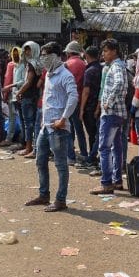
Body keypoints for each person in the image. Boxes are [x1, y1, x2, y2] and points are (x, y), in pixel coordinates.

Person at [24, 42, 78, 212]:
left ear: (56, 56)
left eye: (46, 56)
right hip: (46, 126)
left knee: (61, 165)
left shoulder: (65, 75)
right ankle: (43, 194)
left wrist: (63, 119)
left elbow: (73, 97)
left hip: (58, 128)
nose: (44, 59)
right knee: (40, 161)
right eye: (42, 56)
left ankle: (60, 199)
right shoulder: (48, 75)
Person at [90, 39, 128, 195]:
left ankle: (106, 183)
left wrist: (108, 102)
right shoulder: (115, 66)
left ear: (114, 51)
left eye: (106, 51)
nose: (103, 54)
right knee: (116, 147)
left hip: (112, 113)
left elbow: (119, 84)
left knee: (104, 148)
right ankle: (117, 180)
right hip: (117, 113)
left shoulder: (117, 66)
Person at [63, 41, 88, 165]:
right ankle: (84, 153)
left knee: (69, 129)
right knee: (79, 129)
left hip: (68, 100)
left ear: (69, 52)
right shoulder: (84, 64)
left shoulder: (67, 64)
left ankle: (71, 156)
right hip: (80, 100)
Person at [15, 42, 42, 157]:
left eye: (29, 50)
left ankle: (28, 147)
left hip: (28, 96)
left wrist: (19, 92)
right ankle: (35, 148)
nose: (27, 52)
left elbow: (29, 81)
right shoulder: (40, 63)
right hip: (36, 96)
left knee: (28, 124)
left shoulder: (31, 64)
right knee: (35, 123)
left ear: (34, 50)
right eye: (25, 50)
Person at [79, 46, 102, 170]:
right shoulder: (102, 68)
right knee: (97, 133)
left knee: (92, 134)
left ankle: (92, 158)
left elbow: (86, 91)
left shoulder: (89, 71)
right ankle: (95, 156)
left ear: (87, 56)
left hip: (90, 106)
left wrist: (81, 109)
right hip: (98, 105)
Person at [0, 46, 23, 146]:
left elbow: (8, 80)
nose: (14, 56)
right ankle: (22, 138)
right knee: (22, 118)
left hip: (13, 95)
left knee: (13, 117)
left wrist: (5, 95)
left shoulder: (11, 65)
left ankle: (9, 138)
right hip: (21, 95)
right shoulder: (24, 65)